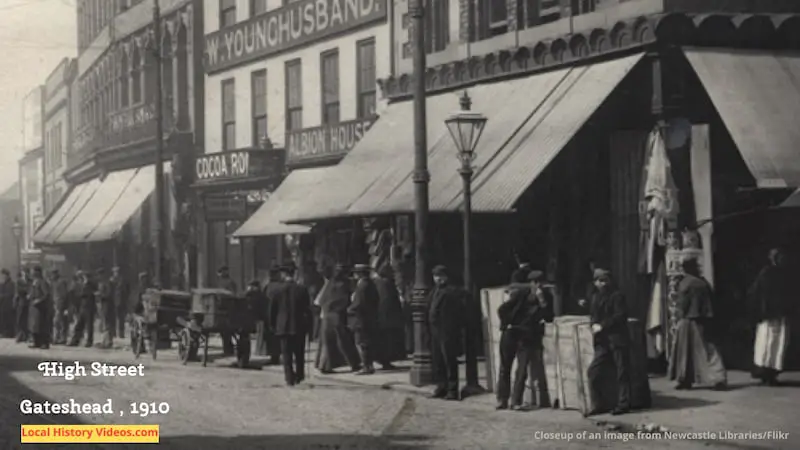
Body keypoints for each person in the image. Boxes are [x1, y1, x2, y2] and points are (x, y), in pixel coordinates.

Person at [668, 257, 727, 390]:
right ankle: (718, 378)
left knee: (685, 352)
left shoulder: (685, 283)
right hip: (703, 319)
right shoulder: (703, 282)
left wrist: (677, 317)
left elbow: (681, 305)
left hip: (687, 320)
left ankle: (685, 379)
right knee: (708, 349)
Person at [579, 269, 631, 416]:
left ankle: (623, 404)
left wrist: (602, 325)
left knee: (622, 373)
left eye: (605, 280)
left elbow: (620, 316)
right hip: (602, 342)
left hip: (617, 339)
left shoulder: (617, 296)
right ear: (595, 283)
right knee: (593, 372)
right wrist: (594, 324)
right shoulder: (595, 297)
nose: (603, 284)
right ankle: (598, 404)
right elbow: (593, 316)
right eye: (600, 281)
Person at [748, 248, 793, 386]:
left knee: (777, 343)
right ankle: (765, 372)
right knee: (768, 342)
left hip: (779, 314)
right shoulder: (766, 273)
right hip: (769, 315)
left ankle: (772, 372)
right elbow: (759, 294)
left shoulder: (782, 274)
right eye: (778, 257)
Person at [269, 264, 311, 386]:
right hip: (299, 326)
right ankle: (299, 375)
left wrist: (273, 325)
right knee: (299, 353)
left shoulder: (277, 290)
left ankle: (289, 377)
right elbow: (307, 310)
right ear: (294, 274)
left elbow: (272, 310)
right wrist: (309, 327)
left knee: (286, 354)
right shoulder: (302, 289)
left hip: (283, 327)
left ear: (283, 274)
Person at [428, 265, 466, 401]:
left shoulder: (452, 292)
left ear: (446, 277)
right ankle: (441, 387)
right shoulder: (434, 292)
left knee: (449, 360)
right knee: (438, 360)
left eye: (440, 276)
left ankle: (452, 390)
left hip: (447, 331)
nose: (437, 279)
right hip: (436, 331)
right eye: (435, 276)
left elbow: (458, 312)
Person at [315, 264, 361, 374]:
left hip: (327, 315)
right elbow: (347, 300)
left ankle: (324, 365)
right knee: (344, 340)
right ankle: (354, 364)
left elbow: (320, 301)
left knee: (327, 341)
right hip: (338, 315)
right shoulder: (344, 284)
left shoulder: (329, 284)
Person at [348, 264, 380, 375]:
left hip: (361, 318)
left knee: (361, 342)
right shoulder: (371, 284)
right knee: (367, 342)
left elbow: (359, 303)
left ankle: (366, 366)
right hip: (370, 317)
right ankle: (369, 365)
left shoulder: (362, 285)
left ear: (360, 273)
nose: (354, 274)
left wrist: (349, 309)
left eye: (356, 272)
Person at [374, 265, 406, 369]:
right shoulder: (387, 284)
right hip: (388, 318)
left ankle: (382, 360)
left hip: (380, 317)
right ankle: (385, 362)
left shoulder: (377, 282)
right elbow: (390, 302)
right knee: (388, 342)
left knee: (382, 341)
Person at [261, 266, 283, 365]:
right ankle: (276, 357)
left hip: (269, 315)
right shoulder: (281, 286)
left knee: (271, 337)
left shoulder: (267, 286)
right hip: (279, 314)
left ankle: (273, 357)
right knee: (277, 337)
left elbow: (263, 300)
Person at [69, 271, 97, 347]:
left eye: (85, 277)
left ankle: (89, 341)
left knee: (89, 326)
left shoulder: (91, 285)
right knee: (79, 325)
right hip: (83, 307)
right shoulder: (82, 285)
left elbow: (86, 294)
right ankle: (75, 340)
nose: (84, 279)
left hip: (89, 307)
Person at [27, 266, 51, 349]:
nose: (32, 273)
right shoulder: (34, 282)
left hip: (41, 307)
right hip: (33, 307)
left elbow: (46, 294)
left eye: (33, 271)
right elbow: (32, 292)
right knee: (34, 326)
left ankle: (44, 343)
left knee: (41, 325)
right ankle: (36, 342)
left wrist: (38, 300)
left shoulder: (42, 282)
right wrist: (29, 296)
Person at [218, 266, 237, 356]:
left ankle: (228, 350)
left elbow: (232, 294)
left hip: (227, 308)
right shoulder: (224, 282)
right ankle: (228, 349)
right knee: (225, 332)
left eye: (222, 272)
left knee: (226, 331)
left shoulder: (229, 282)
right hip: (224, 308)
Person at [50, 269, 70, 345]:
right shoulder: (54, 283)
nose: (52, 276)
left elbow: (64, 295)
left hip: (60, 304)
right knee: (57, 322)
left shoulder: (61, 282)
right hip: (56, 304)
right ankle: (58, 337)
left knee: (59, 322)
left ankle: (61, 338)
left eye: (53, 274)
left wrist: (63, 305)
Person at [95, 268, 114, 349]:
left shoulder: (107, 283)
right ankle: (105, 341)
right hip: (102, 305)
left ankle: (108, 342)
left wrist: (100, 295)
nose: (99, 276)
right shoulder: (101, 283)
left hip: (107, 305)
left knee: (107, 324)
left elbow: (109, 294)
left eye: (100, 274)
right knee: (104, 323)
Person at [110, 266, 129, 339]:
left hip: (122, 301)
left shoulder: (123, 280)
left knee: (121, 318)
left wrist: (126, 298)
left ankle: (121, 333)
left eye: (117, 272)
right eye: (115, 272)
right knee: (113, 318)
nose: (116, 273)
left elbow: (127, 290)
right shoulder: (111, 281)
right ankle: (113, 332)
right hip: (113, 301)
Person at [14, 269, 30, 343]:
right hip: (23, 302)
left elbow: (21, 291)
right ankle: (22, 335)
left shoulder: (28, 281)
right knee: (21, 320)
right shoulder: (21, 281)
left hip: (25, 303)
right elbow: (19, 291)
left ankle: (23, 335)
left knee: (23, 320)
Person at [0, 269, 15, 338]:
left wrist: (2, 296)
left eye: (5, 275)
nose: (3, 277)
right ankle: (4, 332)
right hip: (3, 304)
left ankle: (8, 333)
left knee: (7, 318)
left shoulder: (10, 284)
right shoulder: (3, 284)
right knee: (3, 318)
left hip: (8, 304)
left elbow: (10, 294)